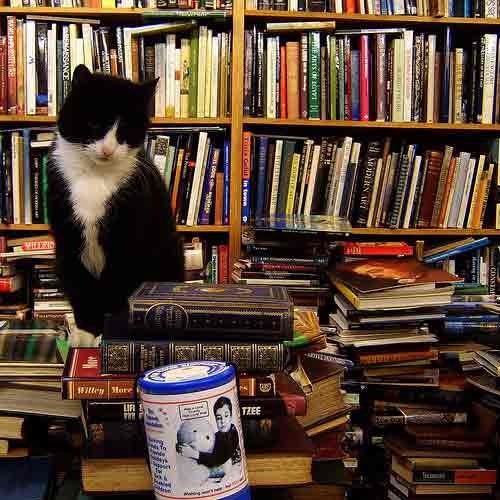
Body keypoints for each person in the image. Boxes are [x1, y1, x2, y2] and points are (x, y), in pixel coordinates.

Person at [179, 396, 241, 469]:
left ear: (231, 416)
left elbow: (218, 460)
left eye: (226, 416)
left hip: (230, 470)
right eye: (218, 418)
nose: (222, 421)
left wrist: (194, 454)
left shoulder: (233, 435)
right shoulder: (218, 435)